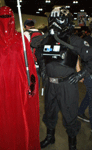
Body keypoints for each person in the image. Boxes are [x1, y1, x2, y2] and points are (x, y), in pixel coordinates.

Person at [0, 6, 40, 150]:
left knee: (17, 119)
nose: (5, 21)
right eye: (2, 18)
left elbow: (29, 64)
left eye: (8, 18)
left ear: (12, 19)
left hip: (17, 87)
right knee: (0, 120)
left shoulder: (21, 39)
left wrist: (32, 82)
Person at [34, 6, 92, 150]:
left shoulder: (75, 41)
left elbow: (90, 59)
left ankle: (72, 144)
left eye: (57, 19)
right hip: (50, 85)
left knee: (70, 115)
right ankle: (50, 137)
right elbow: (39, 53)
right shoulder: (46, 39)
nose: (54, 22)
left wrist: (81, 74)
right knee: (49, 113)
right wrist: (42, 68)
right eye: (52, 19)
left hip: (67, 85)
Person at [77, 22, 92, 132]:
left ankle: (80, 111)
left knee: (89, 95)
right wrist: (79, 72)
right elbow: (77, 55)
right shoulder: (86, 40)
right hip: (88, 74)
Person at [24, 19, 43, 87]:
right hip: (40, 62)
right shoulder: (41, 33)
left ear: (26, 26)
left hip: (30, 63)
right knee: (37, 82)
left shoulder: (26, 34)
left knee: (29, 83)